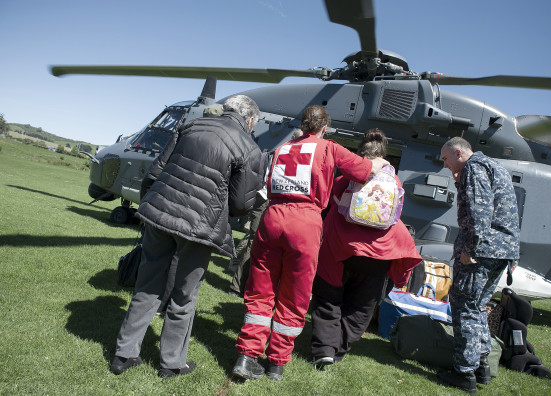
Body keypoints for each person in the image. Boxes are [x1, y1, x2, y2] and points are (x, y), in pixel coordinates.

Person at [110, 95, 263, 378]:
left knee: (147, 285)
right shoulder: (250, 148)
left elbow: (156, 170)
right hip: (199, 226)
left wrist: (150, 205)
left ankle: (124, 354)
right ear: (250, 119)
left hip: (160, 213)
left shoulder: (190, 126)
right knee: (184, 296)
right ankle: (171, 363)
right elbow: (242, 204)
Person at [232, 106, 387, 382]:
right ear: (324, 128)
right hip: (304, 223)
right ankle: (276, 364)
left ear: (303, 125)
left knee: (260, 289)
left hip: (272, 217)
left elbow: (268, 184)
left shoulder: (281, 149)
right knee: (294, 296)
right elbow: (363, 171)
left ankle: (247, 356)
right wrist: (380, 163)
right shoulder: (329, 148)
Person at [310, 128, 422, 369]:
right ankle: (339, 346)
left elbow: (327, 199)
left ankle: (324, 349)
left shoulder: (348, 176)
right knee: (362, 305)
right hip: (379, 253)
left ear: (360, 153)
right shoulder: (394, 180)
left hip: (341, 248)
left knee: (328, 297)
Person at [437, 136, 520, 394]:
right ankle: (483, 365)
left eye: (445, 159)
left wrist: (469, 249)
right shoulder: (496, 168)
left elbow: (479, 212)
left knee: (465, 306)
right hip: (500, 251)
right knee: (478, 306)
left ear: (459, 153)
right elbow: (508, 212)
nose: (444, 164)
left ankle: (464, 373)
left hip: (481, 251)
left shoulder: (473, 168)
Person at [228, 129, 304, 297]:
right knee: (254, 242)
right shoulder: (284, 152)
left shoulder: (282, 151)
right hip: (265, 199)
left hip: (270, 200)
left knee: (255, 241)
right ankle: (238, 286)